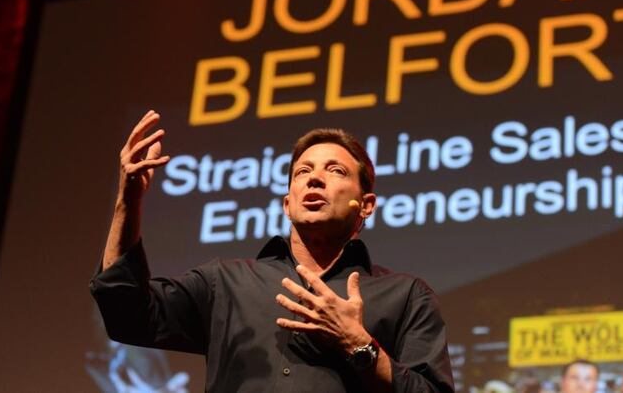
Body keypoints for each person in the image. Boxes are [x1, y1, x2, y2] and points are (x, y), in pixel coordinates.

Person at [89, 110, 454, 392]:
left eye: (336, 171)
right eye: (302, 172)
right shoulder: (225, 283)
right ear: (287, 204)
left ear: (367, 205)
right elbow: (126, 314)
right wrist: (127, 202)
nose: (314, 178)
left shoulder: (405, 296)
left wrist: (360, 345)